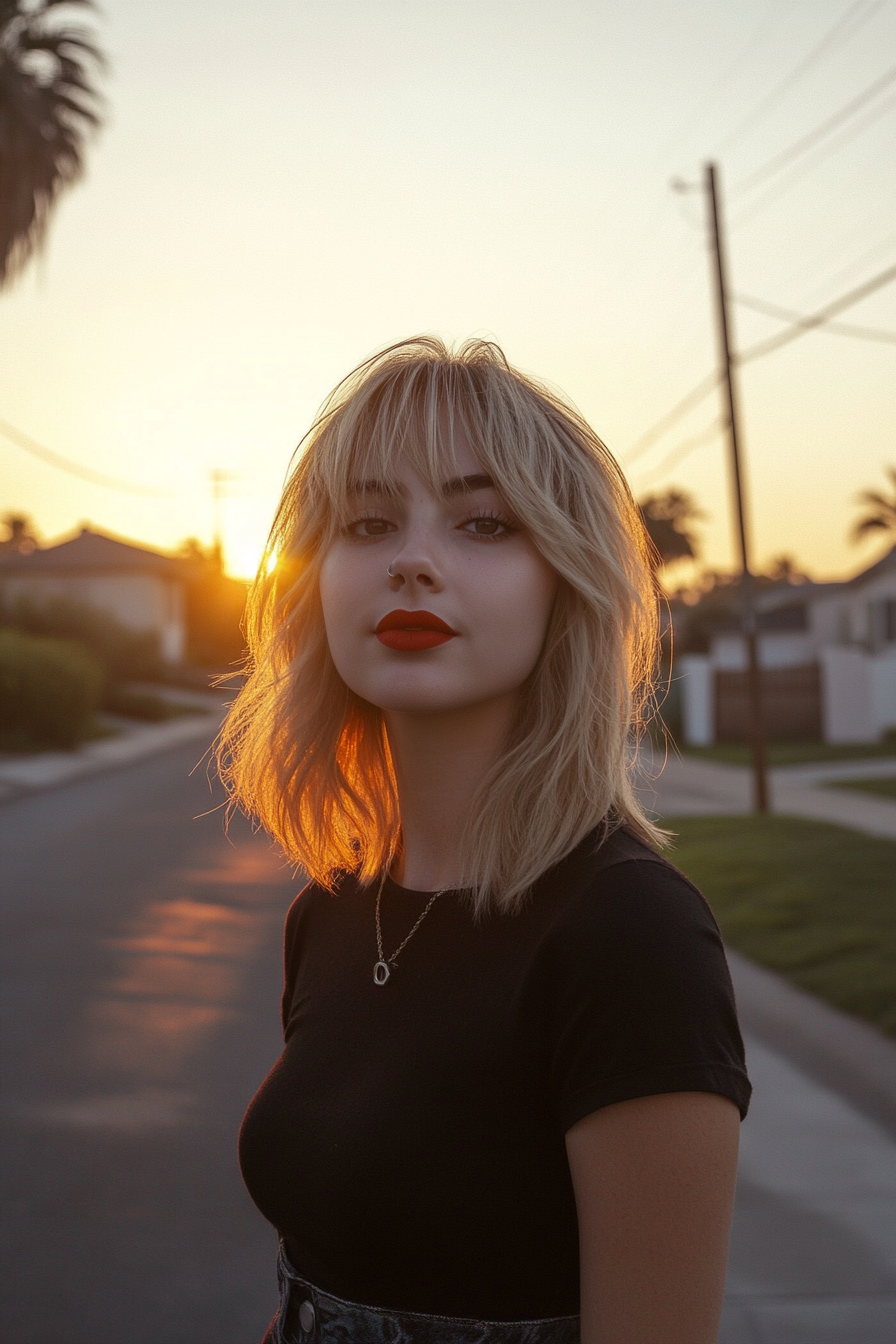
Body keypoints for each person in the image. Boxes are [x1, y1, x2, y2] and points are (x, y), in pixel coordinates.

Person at [219, 336, 751, 1344]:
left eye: (482, 523)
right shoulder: (331, 916)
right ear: (315, 579)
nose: (412, 560)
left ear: (565, 582)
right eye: (369, 522)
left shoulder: (627, 932)